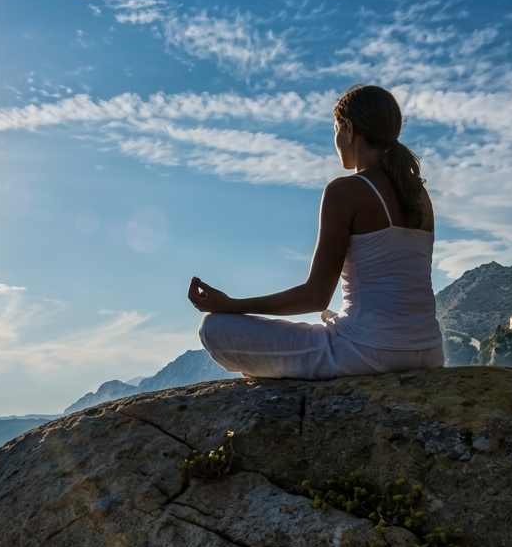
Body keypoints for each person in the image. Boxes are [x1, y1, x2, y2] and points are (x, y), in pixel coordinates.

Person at [188, 83, 443, 379]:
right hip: (428, 351)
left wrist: (232, 306)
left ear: (348, 128)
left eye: (335, 129)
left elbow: (315, 296)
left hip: (368, 352)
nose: (335, 140)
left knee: (213, 329)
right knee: (330, 320)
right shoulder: (418, 195)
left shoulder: (344, 191)